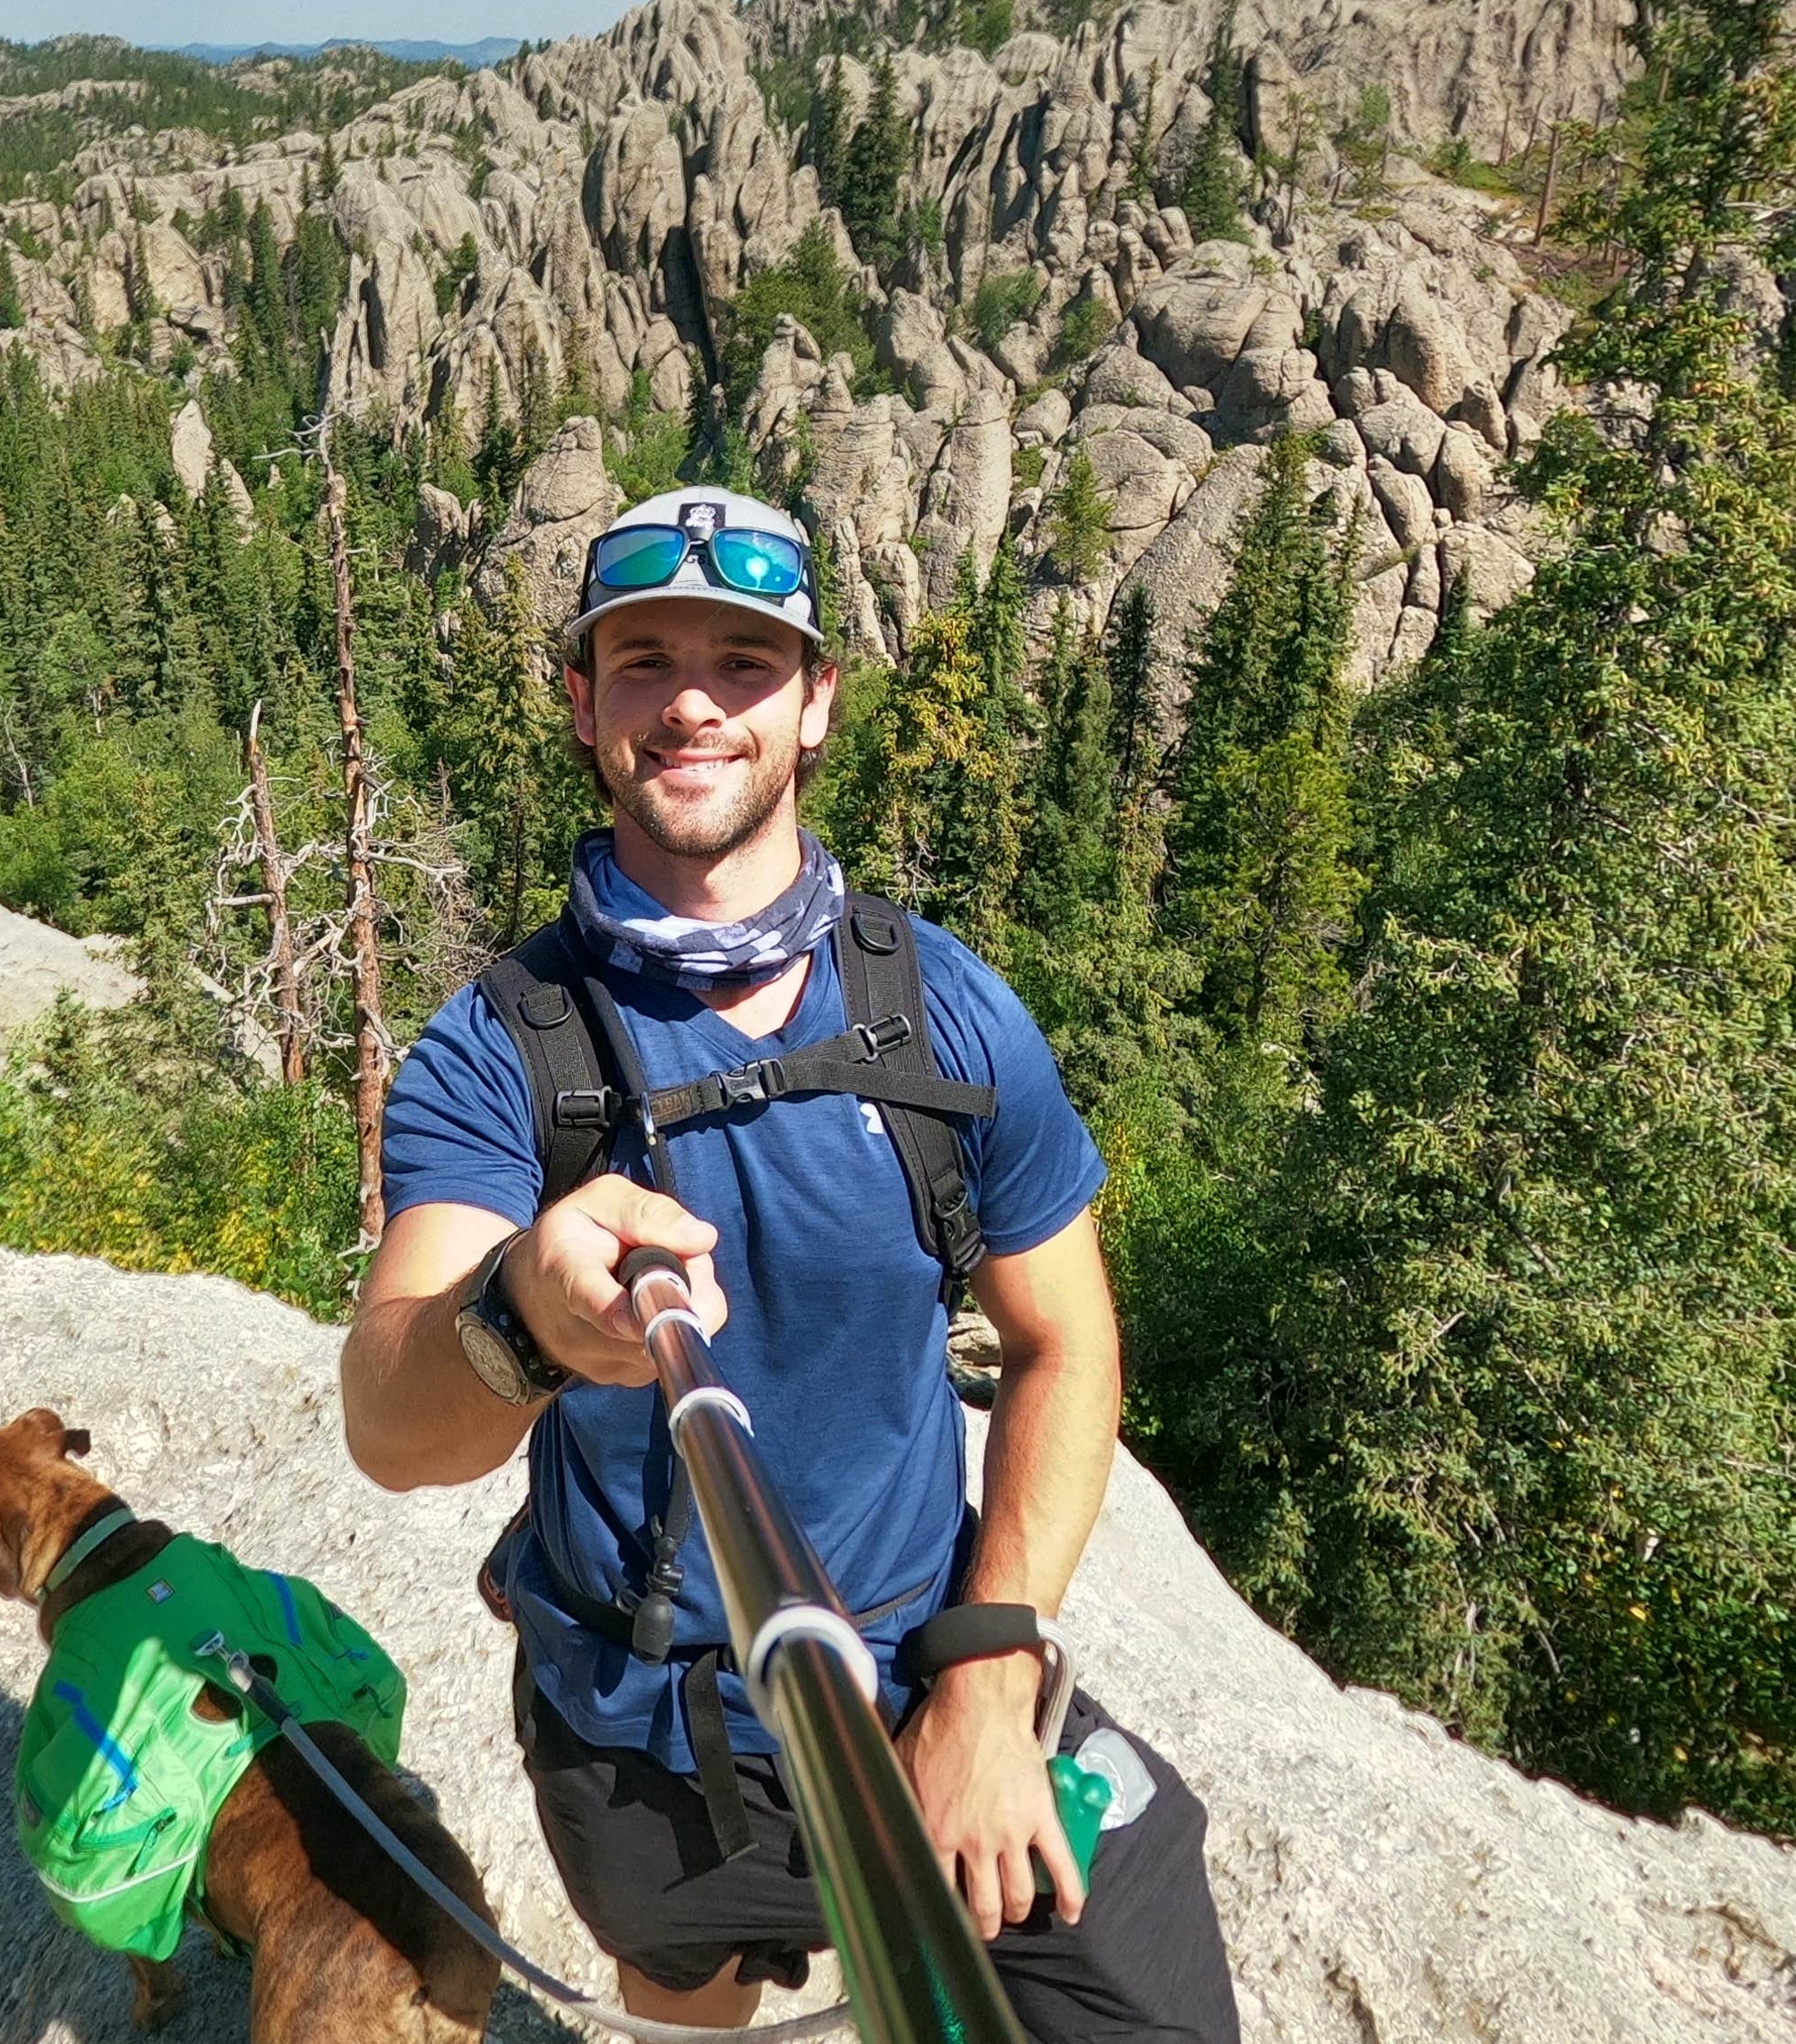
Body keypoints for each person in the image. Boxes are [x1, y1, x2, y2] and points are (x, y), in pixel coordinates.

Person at [340, 487, 1241, 2044]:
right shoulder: (504, 1054)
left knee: (1145, 1986)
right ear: (582, 701)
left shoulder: (946, 1018)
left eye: (746, 664)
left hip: (918, 1675)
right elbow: (391, 1422)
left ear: (816, 703)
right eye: (643, 662)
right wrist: (522, 1321)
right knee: (682, 1984)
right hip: (641, 1727)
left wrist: (985, 1680)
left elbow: (1064, 1344)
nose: (693, 701)